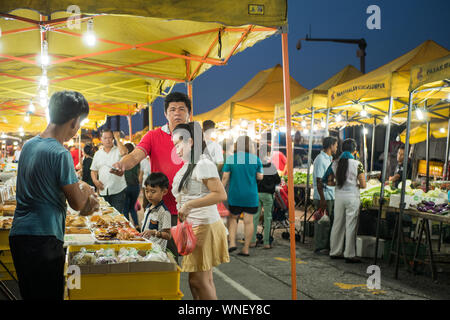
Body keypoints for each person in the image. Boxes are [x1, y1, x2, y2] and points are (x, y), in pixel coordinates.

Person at [9, 91, 99, 300]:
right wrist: (86, 191)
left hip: (19, 235)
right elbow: (77, 203)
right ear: (74, 121)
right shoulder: (60, 153)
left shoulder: (29, 146)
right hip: (44, 240)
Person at [110, 92, 191, 262]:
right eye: (172, 109)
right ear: (165, 114)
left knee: (192, 263)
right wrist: (122, 165)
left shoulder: (196, 137)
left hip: (190, 209)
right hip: (163, 210)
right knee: (165, 258)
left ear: (188, 113)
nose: (177, 113)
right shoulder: (153, 136)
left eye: (182, 109)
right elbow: (135, 156)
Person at [172, 121, 229, 300]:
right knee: (203, 280)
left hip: (203, 225)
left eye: (178, 144)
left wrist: (189, 205)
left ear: (190, 142)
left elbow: (220, 194)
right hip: (196, 225)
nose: (176, 150)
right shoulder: (190, 164)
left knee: (199, 281)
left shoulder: (203, 163)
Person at [322, 138, 366, 263]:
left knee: (337, 224)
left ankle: (335, 251)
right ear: (355, 151)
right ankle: (349, 254)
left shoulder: (335, 163)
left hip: (339, 198)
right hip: (352, 197)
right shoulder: (358, 164)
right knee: (351, 225)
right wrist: (354, 184)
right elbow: (363, 184)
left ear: (342, 149)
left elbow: (327, 180)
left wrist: (337, 184)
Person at [222, 136, 263, 256]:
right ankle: (246, 248)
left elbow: (225, 178)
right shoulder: (255, 159)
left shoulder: (231, 159)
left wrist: (219, 192)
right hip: (251, 195)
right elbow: (260, 177)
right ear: (249, 146)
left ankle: (232, 243)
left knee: (233, 218)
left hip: (235, 195)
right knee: (248, 222)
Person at [250, 144, 281, 249]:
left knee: (255, 218)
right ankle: (266, 243)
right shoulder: (271, 166)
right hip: (268, 195)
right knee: (268, 218)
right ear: (268, 153)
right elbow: (278, 180)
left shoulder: (256, 165)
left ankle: (253, 241)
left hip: (257, 194)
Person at [90, 129, 128, 213]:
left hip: (118, 190)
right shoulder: (97, 154)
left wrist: (118, 139)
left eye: (110, 137)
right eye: (105, 138)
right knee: (104, 215)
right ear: (101, 139)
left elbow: (125, 152)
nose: (107, 140)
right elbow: (93, 170)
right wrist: (95, 181)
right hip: (103, 190)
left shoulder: (118, 150)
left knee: (117, 216)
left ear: (113, 138)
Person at [314, 136, 338, 254]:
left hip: (330, 195)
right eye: (336, 145)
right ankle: (319, 247)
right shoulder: (320, 159)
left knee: (328, 222)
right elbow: (319, 180)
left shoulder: (329, 159)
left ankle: (326, 246)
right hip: (323, 196)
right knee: (322, 223)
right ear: (331, 146)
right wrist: (322, 199)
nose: (337, 148)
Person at [140, 172, 172, 252]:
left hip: (156, 252)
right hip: (146, 248)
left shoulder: (164, 212)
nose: (149, 195)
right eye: (147, 191)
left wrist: (154, 233)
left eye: (153, 192)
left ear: (164, 192)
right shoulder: (148, 208)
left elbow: (168, 235)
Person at [122, 143, 143, 229]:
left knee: (125, 208)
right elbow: (138, 173)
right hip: (135, 186)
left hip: (126, 186)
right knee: (132, 207)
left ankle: (128, 227)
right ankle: (137, 225)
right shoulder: (137, 161)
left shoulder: (124, 160)